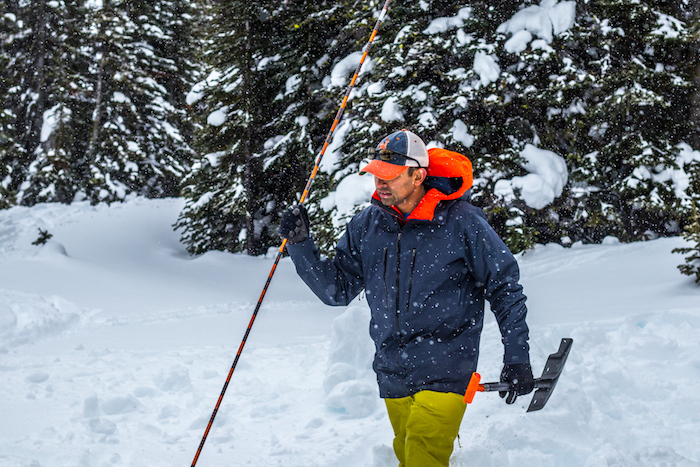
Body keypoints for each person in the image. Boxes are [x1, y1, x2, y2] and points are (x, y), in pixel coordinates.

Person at [278, 129, 533, 467]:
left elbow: (504, 286)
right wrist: (300, 244)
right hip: (393, 371)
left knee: (420, 458)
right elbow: (336, 289)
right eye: (376, 175)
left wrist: (517, 356)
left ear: (418, 176)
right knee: (409, 453)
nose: (380, 184)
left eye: (390, 177)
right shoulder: (367, 224)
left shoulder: (461, 222)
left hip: (446, 365)